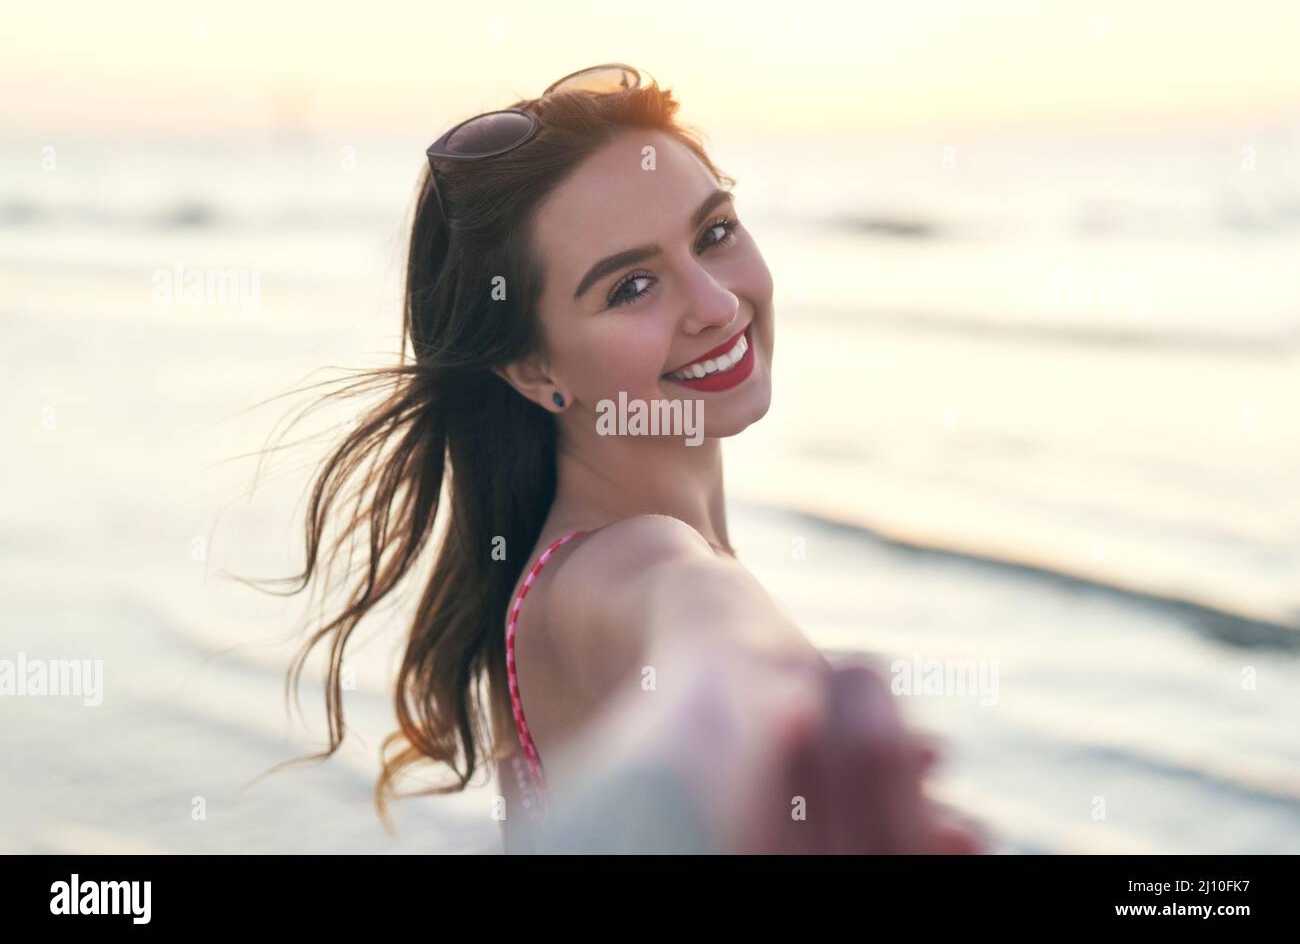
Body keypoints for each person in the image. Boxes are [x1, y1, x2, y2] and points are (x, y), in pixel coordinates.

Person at [272, 64, 986, 854]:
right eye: (632, 286)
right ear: (534, 369)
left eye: (714, 233)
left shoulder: (570, 568)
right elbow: (705, 636)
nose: (717, 305)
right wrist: (776, 715)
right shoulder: (615, 566)